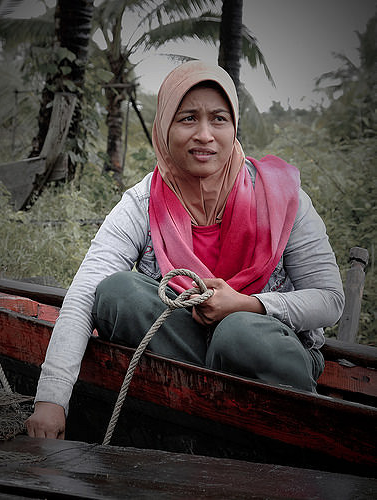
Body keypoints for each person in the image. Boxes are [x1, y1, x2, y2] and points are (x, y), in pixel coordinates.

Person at [26, 60, 344, 439]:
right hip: (180, 344)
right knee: (116, 291)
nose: (205, 135)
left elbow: (329, 299)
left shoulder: (283, 198)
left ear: (234, 126)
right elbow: (83, 296)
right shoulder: (143, 202)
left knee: (238, 332)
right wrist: (51, 400)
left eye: (219, 118)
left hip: (271, 355)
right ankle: (201, 413)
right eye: (188, 118)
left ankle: (295, 428)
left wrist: (247, 304)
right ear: (164, 128)